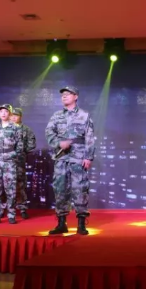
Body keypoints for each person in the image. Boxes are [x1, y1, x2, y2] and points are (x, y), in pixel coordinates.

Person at [45, 85, 95, 236]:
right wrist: (59, 143)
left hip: (78, 157)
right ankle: (61, 224)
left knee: (80, 189)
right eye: (62, 95)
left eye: (68, 94)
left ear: (76, 97)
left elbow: (89, 137)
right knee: (60, 189)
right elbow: (49, 132)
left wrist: (88, 157)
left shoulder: (84, 115)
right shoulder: (56, 116)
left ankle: (81, 224)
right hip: (61, 157)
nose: (64, 96)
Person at [10, 108, 37, 220]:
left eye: (16, 115)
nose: (13, 117)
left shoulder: (26, 130)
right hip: (4, 162)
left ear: (20, 117)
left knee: (20, 185)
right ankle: (2, 209)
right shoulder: (3, 129)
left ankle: (22, 209)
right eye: (12, 115)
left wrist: (21, 152)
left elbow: (32, 144)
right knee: (3, 185)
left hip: (19, 161)